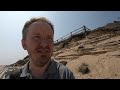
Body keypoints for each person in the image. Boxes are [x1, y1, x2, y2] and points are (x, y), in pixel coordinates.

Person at [5, 17, 75, 79]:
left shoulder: (66, 75)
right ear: (24, 44)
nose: (44, 44)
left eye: (49, 38)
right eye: (36, 37)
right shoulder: (13, 77)